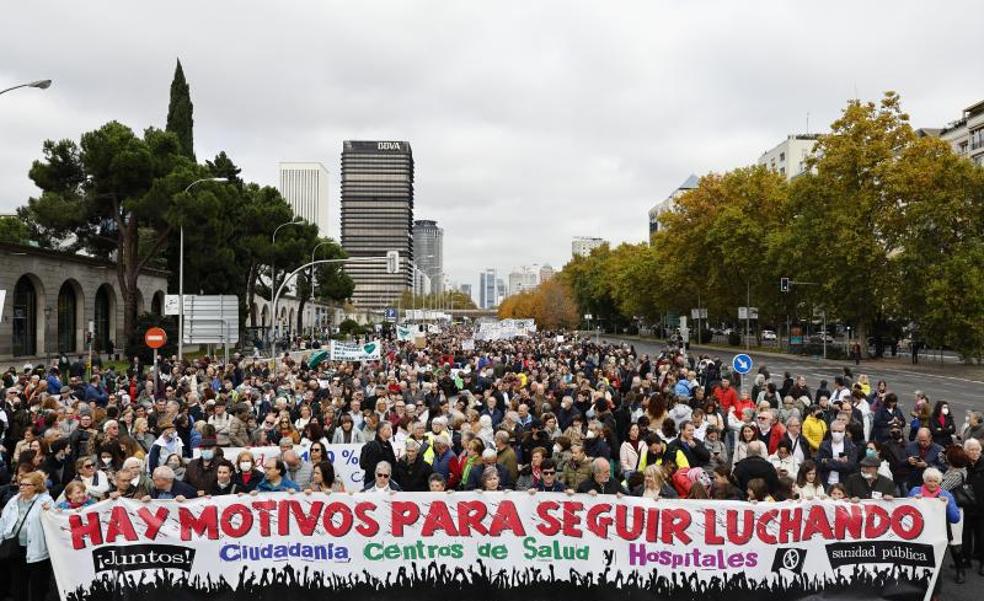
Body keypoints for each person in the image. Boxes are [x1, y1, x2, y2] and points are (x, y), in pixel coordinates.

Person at [0, 471, 53, 601]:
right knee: (18, 585)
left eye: (26, 485)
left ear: (36, 486)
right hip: (16, 549)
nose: (22, 487)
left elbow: (54, 520)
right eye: (21, 484)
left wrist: (49, 511)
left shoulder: (45, 501)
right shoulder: (13, 500)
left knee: (38, 587)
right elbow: (3, 521)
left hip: (37, 550)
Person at [962, 438, 984, 576]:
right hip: (966, 507)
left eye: (977, 449)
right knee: (966, 535)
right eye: (971, 449)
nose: (975, 452)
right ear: (966, 451)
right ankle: (966, 559)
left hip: (982, 508)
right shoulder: (963, 465)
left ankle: (983, 563)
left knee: (982, 536)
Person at [816, 421, 859, 489]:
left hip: (843, 483)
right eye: (834, 431)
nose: (837, 433)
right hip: (826, 482)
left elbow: (850, 466)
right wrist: (839, 463)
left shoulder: (851, 446)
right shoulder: (824, 445)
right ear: (830, 431)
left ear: (844, 431)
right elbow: (819, 463)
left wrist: (828, 461)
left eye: (840, 431)